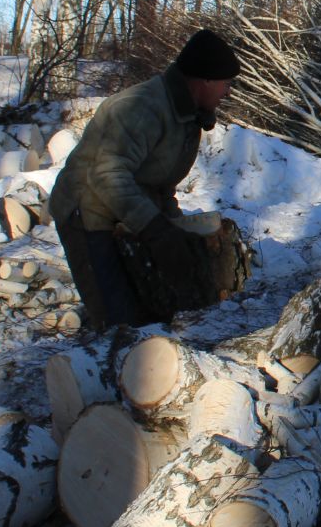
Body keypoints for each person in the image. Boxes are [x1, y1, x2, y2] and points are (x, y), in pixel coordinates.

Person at [48, 28, 241, 330]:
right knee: (118, 321)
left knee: (153, 311)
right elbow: (106, 173)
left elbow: (161, 184)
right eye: (225, 83)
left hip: (127, 213)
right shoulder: (142, 108)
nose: (227, 91)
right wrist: (156, 231)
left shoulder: (188, 116)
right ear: (204, 79)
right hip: (87, 211)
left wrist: (175, 230)